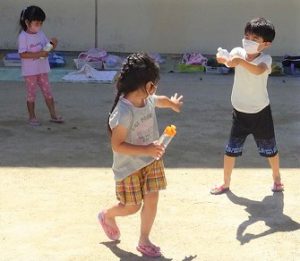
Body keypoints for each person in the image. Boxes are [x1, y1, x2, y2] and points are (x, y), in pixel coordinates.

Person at [99, 53, 183, 257]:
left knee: (152, 197)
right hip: (129, 167)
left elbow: (158, 100)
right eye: (154, 84)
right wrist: (146, 149)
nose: (156, 88)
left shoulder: (147, 99)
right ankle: (107, 214)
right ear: (147, 85)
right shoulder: (123, 113)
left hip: (151, 160)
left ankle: (144, 239)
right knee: (131, 207)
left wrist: (171, 103)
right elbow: (117, 145)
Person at [211, 17, 283, 195]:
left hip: (260, 113)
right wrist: (222, 59)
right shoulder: (237, 51)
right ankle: (225, 183)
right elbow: (228, 61)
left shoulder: (265, 59)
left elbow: (258, 71)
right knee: (230, 151)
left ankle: (277, 179)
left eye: (254, 39)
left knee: (270, 151)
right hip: (239, 113)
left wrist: (240, 61)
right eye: (246, 36)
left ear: (266, 44)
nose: (248, 40)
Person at [18, 5, 63, 126]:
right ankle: (32, 117)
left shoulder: (40, 34)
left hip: (42, 69)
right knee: (31, 93)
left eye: (41, 23)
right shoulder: (23, 37)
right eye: (37, 23)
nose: (39, 25)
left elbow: (45, 49)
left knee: (48, 92)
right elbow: (23, 54)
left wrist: (52, 44)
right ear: (27, 22)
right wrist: (40, 53)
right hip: (30, 72)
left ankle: (53, 115)